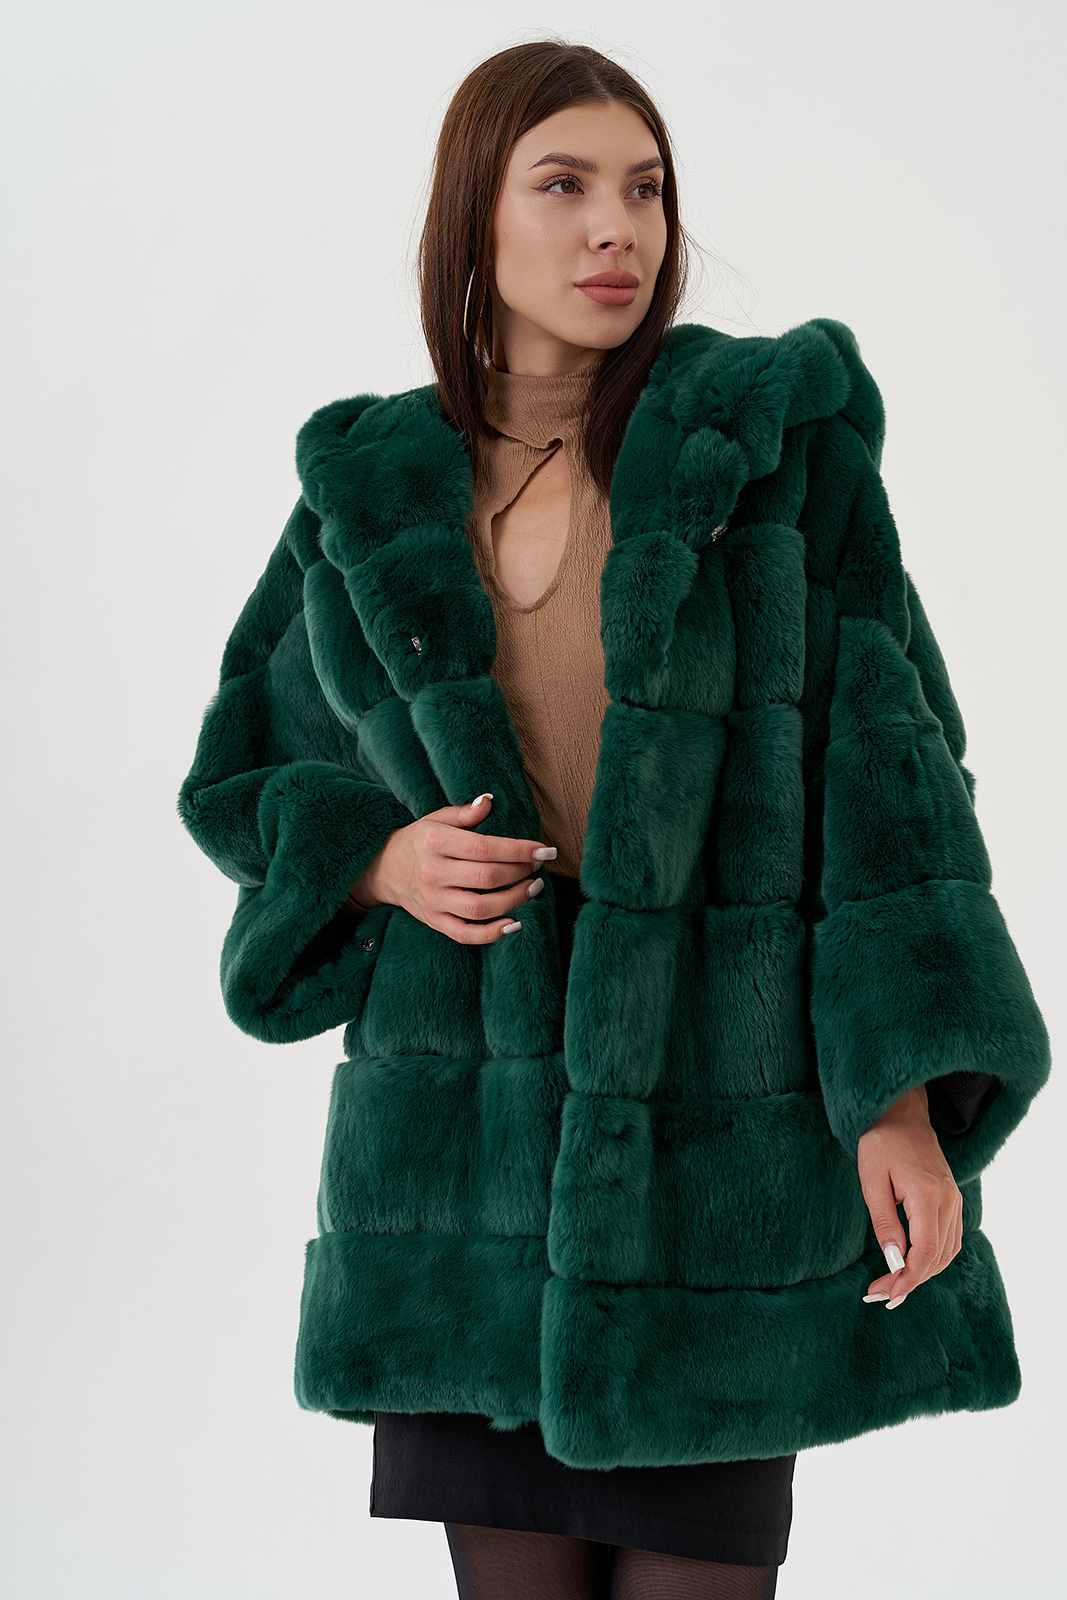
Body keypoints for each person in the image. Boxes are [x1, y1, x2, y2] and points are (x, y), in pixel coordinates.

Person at [177, 39, 1051, 1600]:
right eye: (564, 185)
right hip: (462, 1183)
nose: (616, 228)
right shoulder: (367, 493)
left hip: (717, 1164)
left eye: (644, 190)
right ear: (475, 218)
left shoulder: (767, 457)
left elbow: (899, 782)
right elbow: (245, 771)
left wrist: (902, 1100)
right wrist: (373, 861)